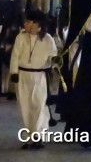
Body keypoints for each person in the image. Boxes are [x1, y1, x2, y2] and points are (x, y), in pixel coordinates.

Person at [10, 10, 56, 149]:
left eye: (29, 22)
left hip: (39, 75)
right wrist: (14, 72)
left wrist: (54, 61)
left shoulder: (48, 39)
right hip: (23, 75)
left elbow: (53, 55)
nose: (25, 24)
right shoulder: (21, 37)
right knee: (25, 105)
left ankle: (39, 136)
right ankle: (31, 136)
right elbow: (15, 55)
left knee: (39, 104)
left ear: (37, 24)